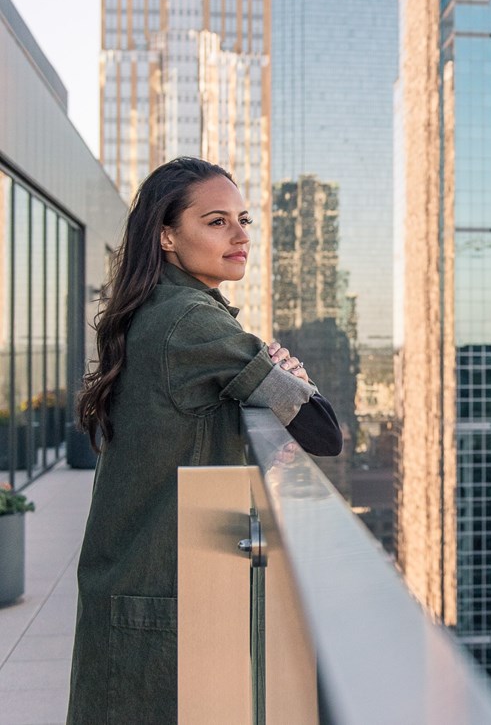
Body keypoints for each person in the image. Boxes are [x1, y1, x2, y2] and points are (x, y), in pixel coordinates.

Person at [66, 157, 342, 724]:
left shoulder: (164, 311)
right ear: (167, 237)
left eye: (243, 219)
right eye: (216, 222)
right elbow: (323, 431)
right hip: (160, 593)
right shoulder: (191, 322)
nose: (240, 235)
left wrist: (267, 372)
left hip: (135, 577)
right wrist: (292, 377)